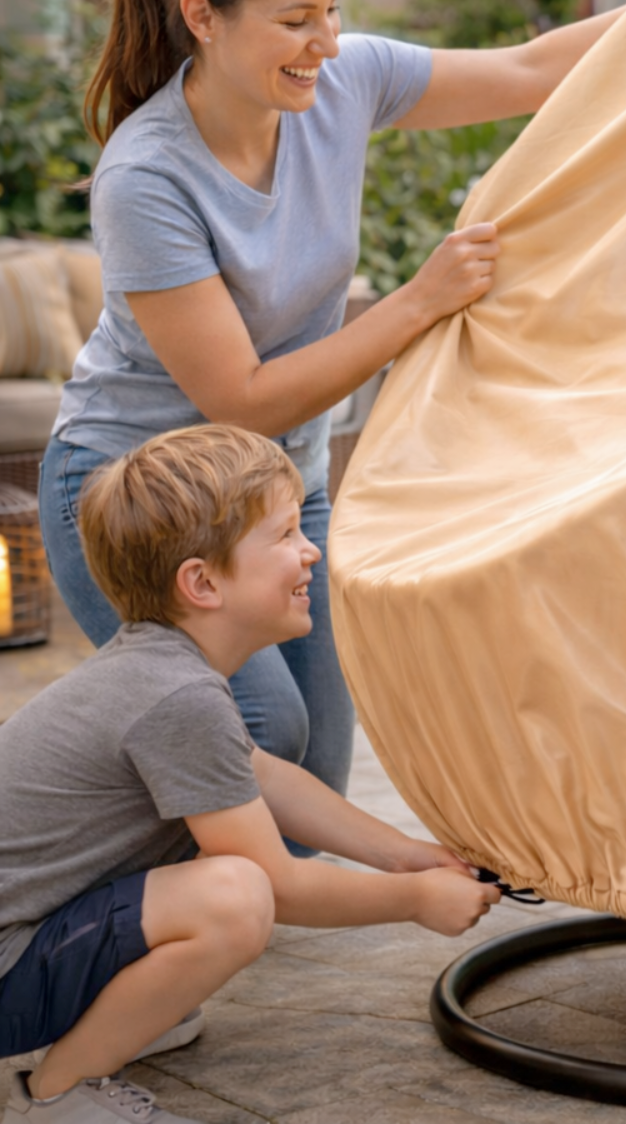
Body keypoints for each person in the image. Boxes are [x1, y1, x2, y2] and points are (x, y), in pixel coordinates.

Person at [41, 0, 626, 801]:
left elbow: (527, 72)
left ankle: (195, 866)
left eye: (333, 13)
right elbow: (239, 394)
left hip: (274, 487)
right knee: (261, 732)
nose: (325, 43)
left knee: (314, 778)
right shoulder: (147, 178)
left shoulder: (343, 81)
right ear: (202, 15)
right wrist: (419, 302)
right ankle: (73, 872)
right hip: (138, 493)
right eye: (294, 21)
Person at [1, 425, 502, 1124]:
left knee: (232, 884)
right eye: (287, 535)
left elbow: (265, 776)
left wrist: (411, 855)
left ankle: (111, 1019)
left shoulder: (163, 668)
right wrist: (414, 900)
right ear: (203, 583)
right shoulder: (176, 698)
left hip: (21, 942)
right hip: (7, 971)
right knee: (236, 896)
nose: (311, 551)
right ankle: (54, 1094)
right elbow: (281, 883)